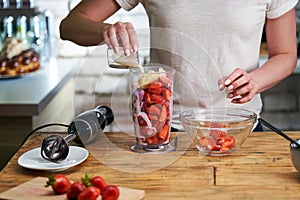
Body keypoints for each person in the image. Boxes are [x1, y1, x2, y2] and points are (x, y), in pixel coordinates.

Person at [60, 0, 298, 131]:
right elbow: (69, 25)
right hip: (165, 128)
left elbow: (286, 55)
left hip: (238, 126)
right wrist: (106, 30)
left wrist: (255, 81)